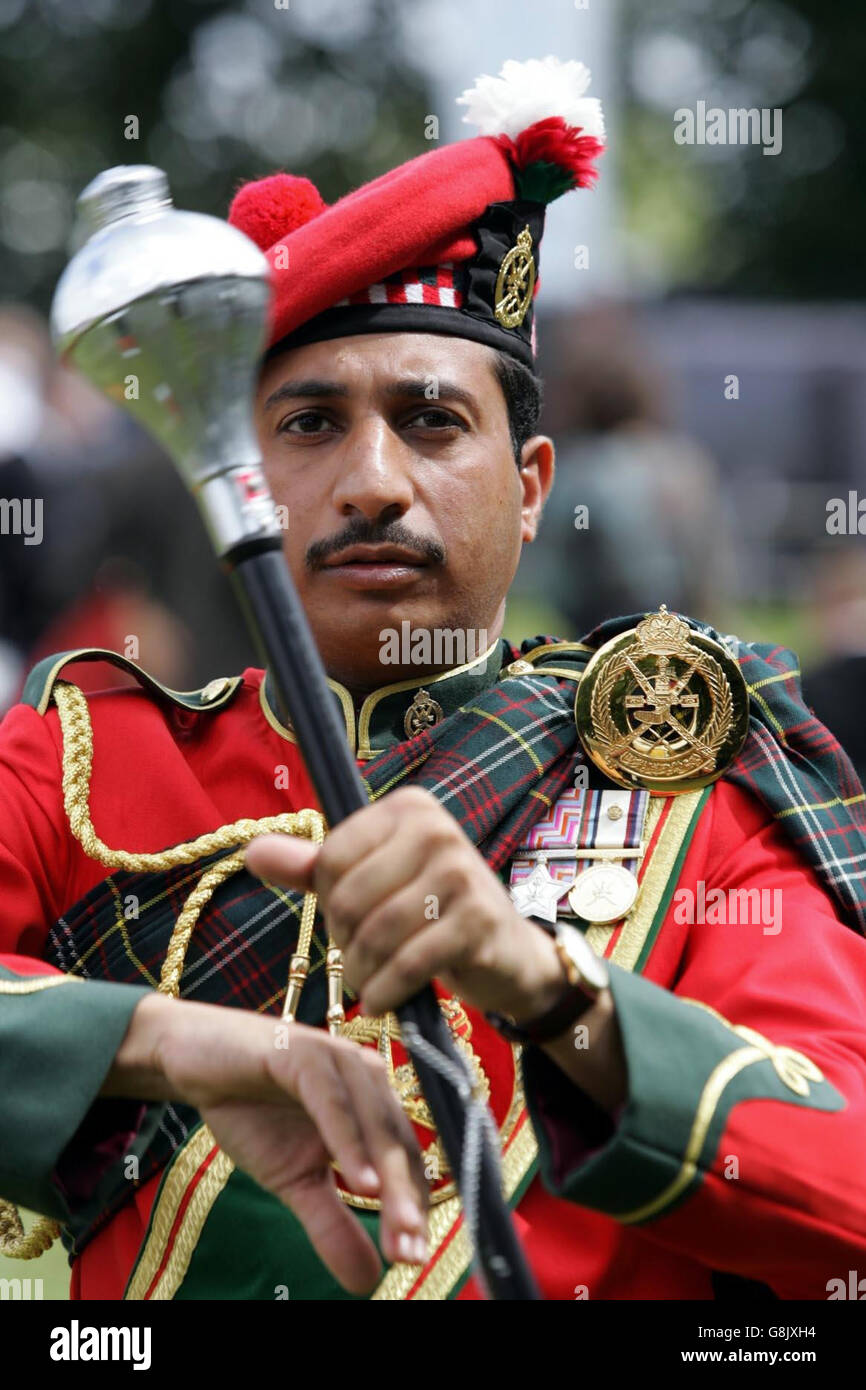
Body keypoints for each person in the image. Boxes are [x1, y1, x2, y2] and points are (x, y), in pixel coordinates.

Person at [1, 56, 865, 1303]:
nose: (371, 483)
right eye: (309, 424)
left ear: (530, 488)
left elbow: (842, 1175)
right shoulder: (83, 763)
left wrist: (548, 988)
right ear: (240, 479)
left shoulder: (688, 781)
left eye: (430, 420)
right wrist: (163, 1041)